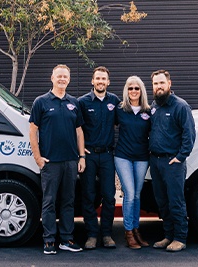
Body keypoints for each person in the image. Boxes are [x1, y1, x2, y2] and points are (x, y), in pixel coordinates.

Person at [29, 64, 86, 255]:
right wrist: (37, 157)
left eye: (65, 77)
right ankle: (49, 240)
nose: (62, 79)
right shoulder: (41, 102)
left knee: (68, 201)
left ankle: (67, 239)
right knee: (49, 201)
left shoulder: (74, 102)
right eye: (59, 76)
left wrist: (82, 157)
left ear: (69, 80)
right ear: (52, 78)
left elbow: (79, 132)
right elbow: (33, 130)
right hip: (50, 162)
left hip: (70, 161)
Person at [147, 69, 194, 252]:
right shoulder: (154, 106)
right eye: (155, 84)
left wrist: (180, 157)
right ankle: (168, 236)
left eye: (161, 83)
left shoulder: (181, 106)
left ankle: (180, 238)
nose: (158, 87)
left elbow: (189, 135)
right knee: (162, 201)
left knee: (176, 201)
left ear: (169, 84)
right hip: (156, 161)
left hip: (172, 163)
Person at [76, 66, 120, 250]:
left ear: (108, 82)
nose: (101, 81)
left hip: (108, 155)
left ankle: (107, 234)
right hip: (89, 155)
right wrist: (80, 152)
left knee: (109, 196)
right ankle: (92, 234)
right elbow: (76, 129)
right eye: (98, 78)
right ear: (92, 81)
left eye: (104, 79)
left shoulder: (115, 101)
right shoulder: (83, 102)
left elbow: (123, 123)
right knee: (88, 195)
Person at [114, 75, 152, 249]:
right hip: (123, 156)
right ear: (126, 91)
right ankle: (128, 232)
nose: (133, 91)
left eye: (136, 88)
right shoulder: (120, 109)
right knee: (129, 193)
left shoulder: (148, 111)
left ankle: (136, 230)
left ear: (141, 90)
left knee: (137, 194)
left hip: (142, 157)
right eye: (130, 88)